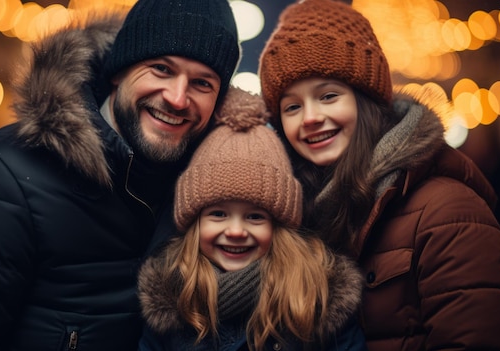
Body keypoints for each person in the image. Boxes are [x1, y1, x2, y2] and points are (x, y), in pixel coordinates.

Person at [0, 0, 240, 349]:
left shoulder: (192, 194)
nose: (177, 97)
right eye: (161, 69)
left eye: (202, 83)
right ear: (118, 69)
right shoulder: (0, 181)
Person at [258, 0, 500, 350]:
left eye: (328, 96)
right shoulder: (298, 214)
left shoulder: (447, 212)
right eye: (292, 106)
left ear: (365, 101)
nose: (310, 117)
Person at [136, 87, 366, 351]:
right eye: (218, 214)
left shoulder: (314, 297)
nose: (235, 231)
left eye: (255, 216)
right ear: (195, 224)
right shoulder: (173, 298)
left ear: (278, 227)